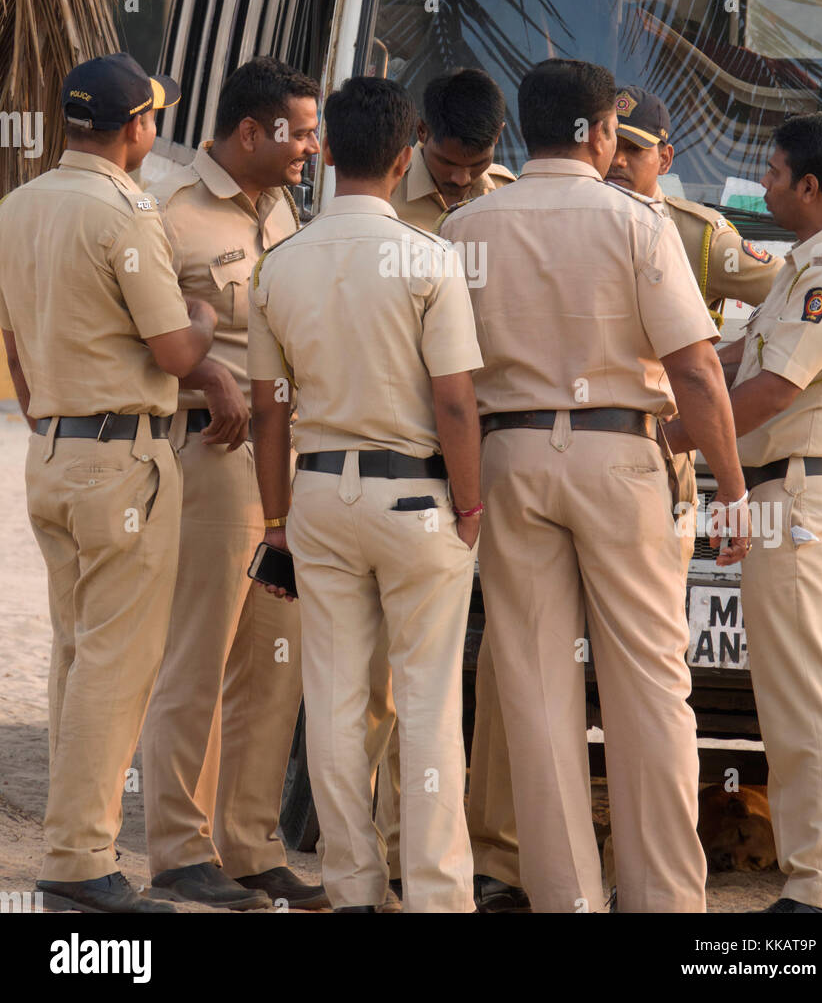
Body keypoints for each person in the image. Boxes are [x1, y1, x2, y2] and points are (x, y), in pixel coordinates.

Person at [443, 58, 750, 913]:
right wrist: (730, 485)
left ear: (521, 131)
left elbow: (450, 385)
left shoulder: (467, 227)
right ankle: (661, 902)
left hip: (508, 458)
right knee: (650, 686)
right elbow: (695, 368)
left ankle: (566, 898)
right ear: (602, 133)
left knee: (535, 690)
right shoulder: (640, 224)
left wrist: (466, 495)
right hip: (621, 457)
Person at [248, 76, 483, 913]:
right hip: (419, 501)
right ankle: (436, 894)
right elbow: (455, 399)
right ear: (406, 151)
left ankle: (351, 887)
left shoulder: (278, 265)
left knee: (337, 699)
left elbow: (269, 413)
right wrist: (470, 504)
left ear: (330, 154)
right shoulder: (430, 260)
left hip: (316, 499)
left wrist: (275, 523)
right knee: (426, 699)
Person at [0, 53, 216, 914]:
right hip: (121, 459)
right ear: (134, 127)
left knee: (75, 652)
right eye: (152, 120)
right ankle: (82, 858)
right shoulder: (126, 212)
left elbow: (15, 347)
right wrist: (201, 316)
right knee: (114, 668)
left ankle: (68, 843)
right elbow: (175, 352)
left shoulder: (18, 206)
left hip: (49, 451)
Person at [665, 114, 822, 915]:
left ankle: (820, 887)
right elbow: (737, 358)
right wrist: (662, 392)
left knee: (805, 699)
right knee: (817, 694)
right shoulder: (807, 263)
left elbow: (772, 388)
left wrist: (672, 438)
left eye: (776, 173)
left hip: (803, 494)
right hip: (791, 490)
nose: (766, 183)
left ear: (810, 187)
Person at [141, 57, 326, 911]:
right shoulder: (168, 211)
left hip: (286, 461)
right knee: (201, 652)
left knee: (274, 659)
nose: (312, 147)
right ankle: (181, 848)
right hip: (211, 457)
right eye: (299, 131)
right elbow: (137, 339)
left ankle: (250, 845)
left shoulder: (286, 209)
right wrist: (206, 375)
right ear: (250, 132)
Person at [374, 67, 525, 912]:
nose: (464, 179)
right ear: (418, 137)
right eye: (450, 163)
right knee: (408, 672)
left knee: (506, 665)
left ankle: (497, 855)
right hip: (411, 458)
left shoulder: (502, 200)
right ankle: (401, 851)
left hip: (498, 457)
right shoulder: (380, 205)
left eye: (478, 164)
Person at [606, 84, 783, 564]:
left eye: (634, 149)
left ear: (664, 159)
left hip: (660, 448)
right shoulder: (568, 218)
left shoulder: (698, 237)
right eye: (611, 144)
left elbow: (795, 295)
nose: (618, 161)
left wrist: (732, 355)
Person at [390, 66, 514, 231]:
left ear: (498, 134)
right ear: (421, 130)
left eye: (477, 164)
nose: (461, 179)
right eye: (446, 162)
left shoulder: (509, 193)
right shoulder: (385, 191)